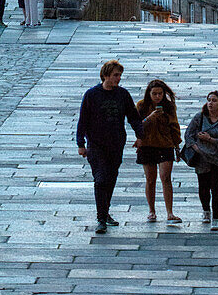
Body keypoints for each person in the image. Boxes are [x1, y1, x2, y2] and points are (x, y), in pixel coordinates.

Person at [76, 60, 144, 234]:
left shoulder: (123, 95)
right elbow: (83, 120)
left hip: (116, 143)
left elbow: (133, 117)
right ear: (106, 75)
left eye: (120, 75)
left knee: (111, 178)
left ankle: (105, 212)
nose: (118, 78)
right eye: (115, 75)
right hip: (96, 144)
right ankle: (101, 218)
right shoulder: (92, 94)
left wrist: (140, 135)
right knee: (100, 179)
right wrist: (81, 144)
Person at [183, 91, 218, 231]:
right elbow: (188, 135)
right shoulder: (199, 118)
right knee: (203, 186)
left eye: (214, 100)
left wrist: (210, 139)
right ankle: (206, 210)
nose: (210, 103)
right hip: (202, 158)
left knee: (217, 188)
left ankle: (216, 218)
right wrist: (195, 147)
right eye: (209, 100)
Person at [135, 79, 182, 224]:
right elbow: (137, 125)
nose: (157, 97)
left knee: (166, 177)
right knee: (150, 179)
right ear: (149, 93)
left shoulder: (169, 106)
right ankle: (152, 210)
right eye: (154, 94)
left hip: (165, 144)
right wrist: (151, 117)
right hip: (147, 144)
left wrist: (177, 145)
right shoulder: (142, 106)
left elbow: (174, 125)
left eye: (160, 93)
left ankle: (169, 212)